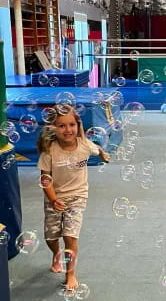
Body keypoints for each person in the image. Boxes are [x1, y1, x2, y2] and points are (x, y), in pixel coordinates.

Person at [36, 104, 110, 290]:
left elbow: (97, 149)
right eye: (61, 126)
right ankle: (56, 253)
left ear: (78, 125)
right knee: (51, 237)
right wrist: (53, 199)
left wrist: (103, 154)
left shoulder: (84, 144)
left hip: (78, 196)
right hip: (54, 197)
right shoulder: (49, 150)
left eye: (71, 125)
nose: (68, 130)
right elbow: (45, 178)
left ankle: (70, 275)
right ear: (53, 128)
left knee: (70, 236)